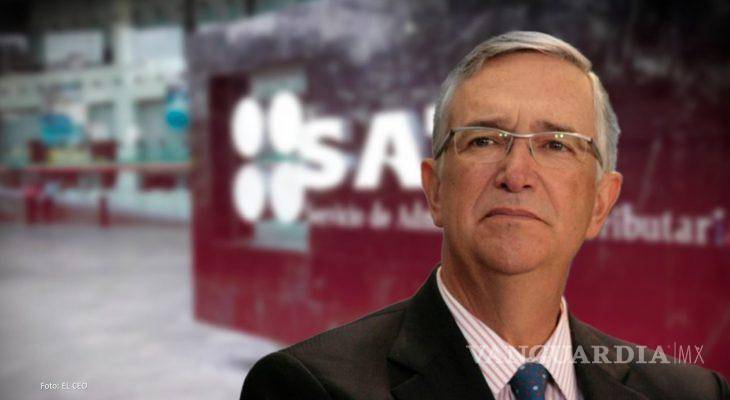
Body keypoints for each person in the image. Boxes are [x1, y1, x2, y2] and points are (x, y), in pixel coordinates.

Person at [240, 31, 728, 399]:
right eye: (484, 140)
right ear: (435, 189)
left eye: (557, 144)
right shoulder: (307, 388)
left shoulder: (694, 393)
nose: (516, 174)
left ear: (601, 203)